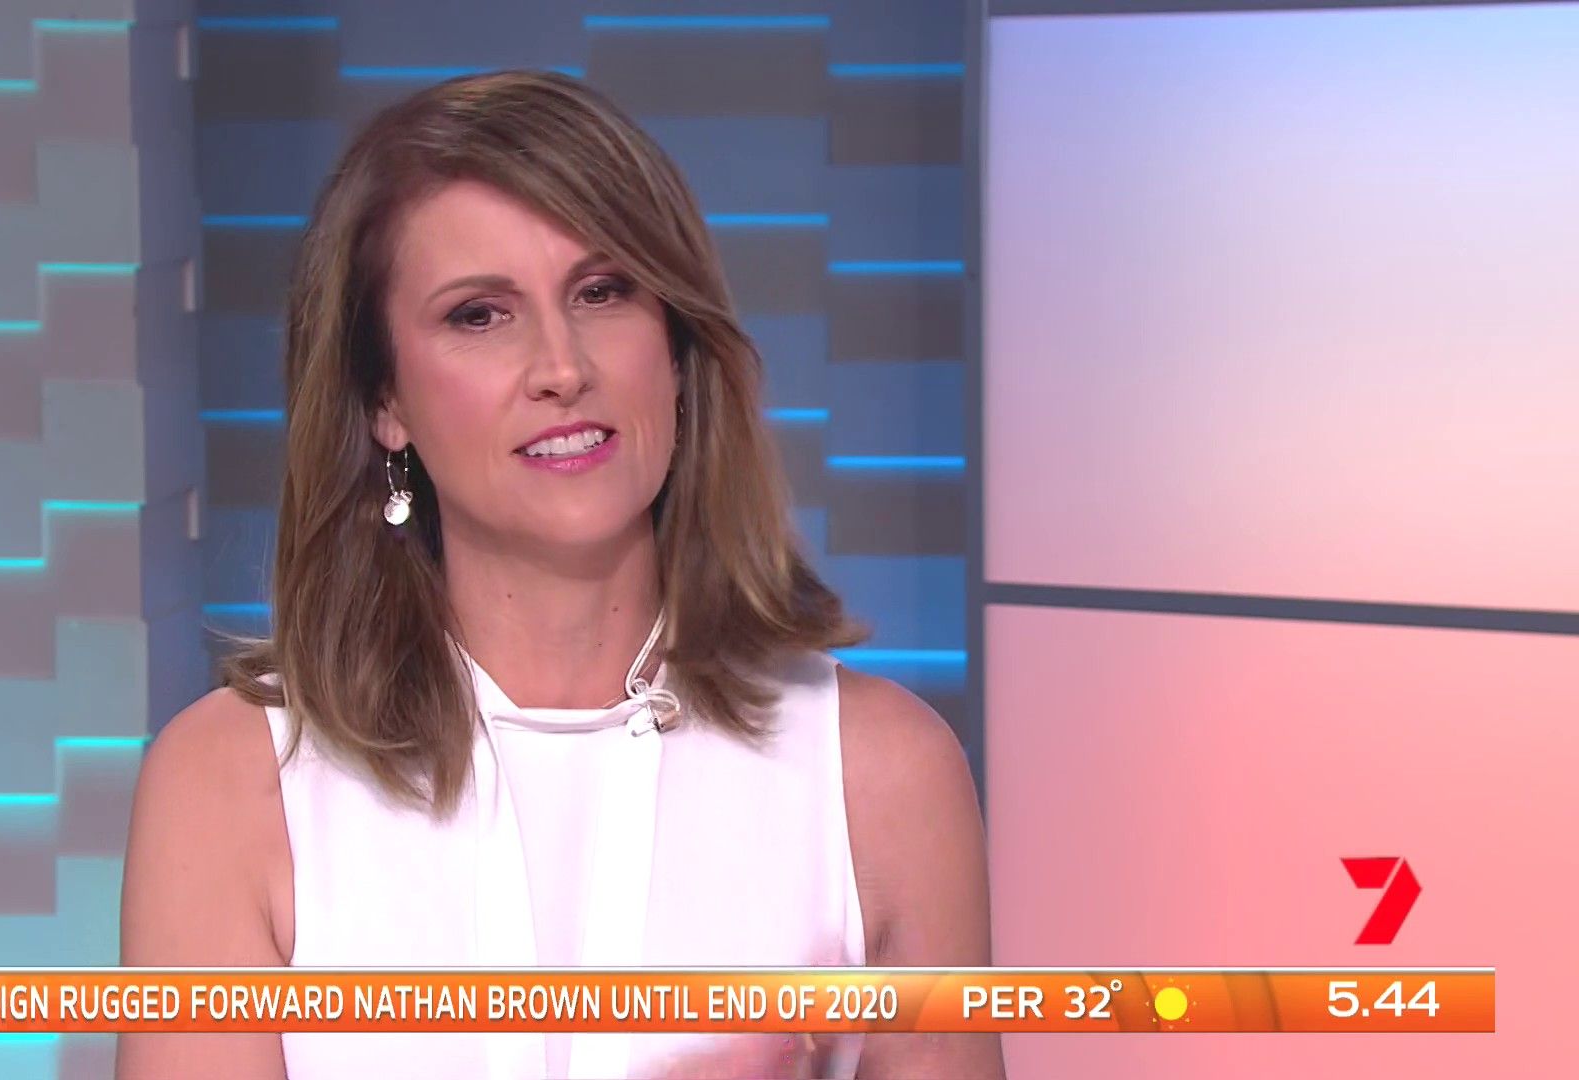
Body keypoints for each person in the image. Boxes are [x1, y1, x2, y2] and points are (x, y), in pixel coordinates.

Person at [117, 70, 1002, 1080]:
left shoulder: (883, 775)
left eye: (602, 292)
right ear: (385, 402)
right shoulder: (231, 784)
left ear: (676, 349)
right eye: (479, 315)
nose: (562, 367)